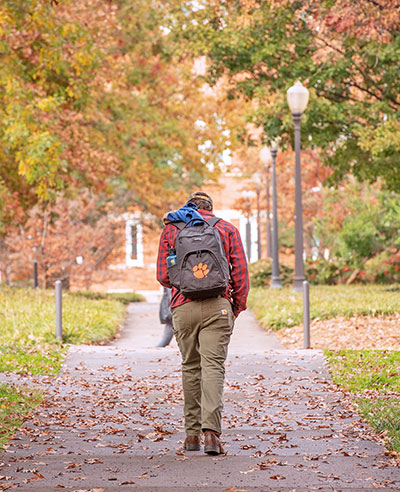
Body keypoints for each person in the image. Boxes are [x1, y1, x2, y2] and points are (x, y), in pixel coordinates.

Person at [156, 191, 249, 455]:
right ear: (210, 208)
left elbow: (163, 276)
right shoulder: (227, 229)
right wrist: (235, 307)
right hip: (218, 306)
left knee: (190, 367)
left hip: (182, 306)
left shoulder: (171, 230)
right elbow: (240, 272)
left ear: (189, 207)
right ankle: (211, 434)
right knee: (213, 367)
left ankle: (191, 436)